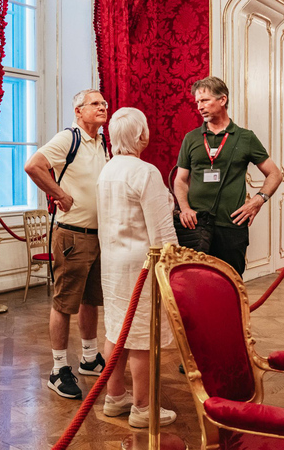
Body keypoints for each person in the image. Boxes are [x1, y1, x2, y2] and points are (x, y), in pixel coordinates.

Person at [24, 89, 109, 400]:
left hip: (99, 237)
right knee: (64, 303)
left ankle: (89, 357)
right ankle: (58, 369)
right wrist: (59, 194)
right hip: (72, 235)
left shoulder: (102, 143)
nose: (102, 108)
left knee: (90, 300)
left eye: (104, 104)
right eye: (95, 104)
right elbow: (33, 165)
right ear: (78, 110)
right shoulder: (68, 138)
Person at [96, 107, 178, 428]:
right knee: (143, 334)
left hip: (113, 263)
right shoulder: (146, 172)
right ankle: (143, 408)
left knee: (116, 330)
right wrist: (174, 267)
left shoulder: (107, 171)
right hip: (142, 265)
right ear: (142, 135)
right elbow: (161, 234)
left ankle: (115, 398)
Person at [173, 76, 282, 276]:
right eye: (197, 102)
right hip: (196, 227)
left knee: (230, 285)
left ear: (222, 100)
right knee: (195, 286)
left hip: (231, 227)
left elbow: (275, 173)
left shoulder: (245, 137)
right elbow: (180, 180)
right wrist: (185, 208)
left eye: (205, 100)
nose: (200, 106)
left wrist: (259, 200)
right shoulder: (192, 138)